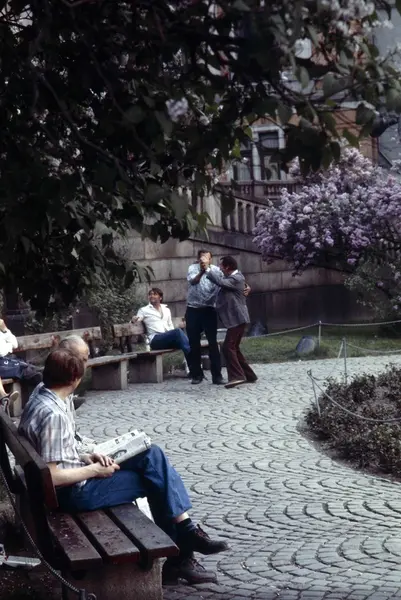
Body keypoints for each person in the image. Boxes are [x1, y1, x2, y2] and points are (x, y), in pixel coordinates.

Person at [19, 344, 228, 585]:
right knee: (154, 479)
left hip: (72, 480)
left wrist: (87, 456)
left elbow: (57, 452)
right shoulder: (54, 415)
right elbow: (53, 475)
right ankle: (182, 553)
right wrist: (95, 470)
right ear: (75, 379)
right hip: (74, 494)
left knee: (152, 455)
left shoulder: (43, 396)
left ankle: (185, 540)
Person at [206, 255, 257, 389]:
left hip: (237, 318)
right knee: (234, 347)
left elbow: (220, 282)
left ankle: (237, 376)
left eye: (221, 266)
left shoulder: (236, 278)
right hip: (237, 319)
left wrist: (207, 268)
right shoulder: (234, 278)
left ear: (227, 267)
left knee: (228, 347)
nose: (220, 268)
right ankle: (249, 375)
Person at [186, 250, 225, 385]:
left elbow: (226, 281)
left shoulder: (216, 270)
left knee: (213, 343)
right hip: (193, 309)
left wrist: (245, 286)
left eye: (206, 258)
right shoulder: (192, 268)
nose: (203, 260)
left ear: (211, 259)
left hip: (209, 309)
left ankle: (217, 376)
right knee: (194, 343)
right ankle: (197, 375)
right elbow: (193, 282)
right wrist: (202, 271)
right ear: (198, 259)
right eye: (201, 258)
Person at [132, 288, 191, 374]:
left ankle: (191, 367)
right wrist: (134, 320)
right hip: (155, 340)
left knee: (188, 342)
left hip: (167, 338)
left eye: (154, 294)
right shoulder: (144, 310)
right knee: (179, 333)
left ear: (160, 297)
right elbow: (138, 319)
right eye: (150, 294)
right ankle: (193, 366)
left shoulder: (166, 309)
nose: (152, 296)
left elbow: (170, 325)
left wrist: (173, 335)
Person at [0, 318, 42, 386]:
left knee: (34, 369)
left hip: (9, 359)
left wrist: (5, 329)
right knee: (28, 371)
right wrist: (9, 346)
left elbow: (15, 344)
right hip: (2, 363)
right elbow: (1, 352)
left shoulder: (1, 330)